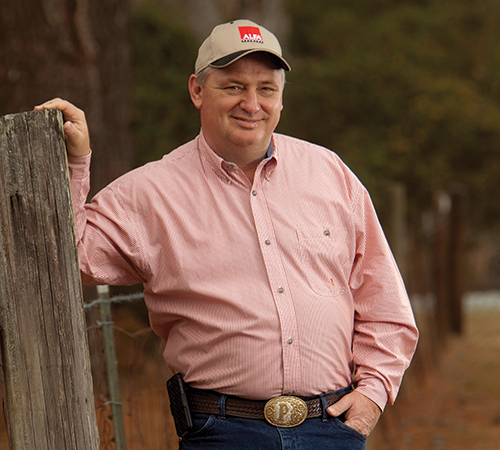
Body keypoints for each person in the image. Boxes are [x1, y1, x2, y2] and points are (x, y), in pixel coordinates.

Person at [36, 19, 418, 450]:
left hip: (331, 428)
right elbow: (69, 254)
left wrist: (372, 393)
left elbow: (383, 299)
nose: (251, 103)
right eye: (233, 87)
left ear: (281, 98)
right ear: (197, 90)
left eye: (266, 89)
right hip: (222, 432)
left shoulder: (330, 174)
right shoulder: (149, 193)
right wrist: (74, 163)